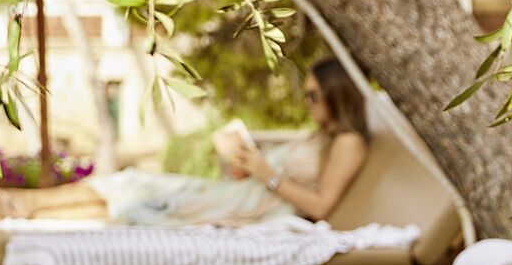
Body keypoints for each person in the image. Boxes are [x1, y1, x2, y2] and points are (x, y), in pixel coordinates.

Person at [96, 55, 373, 228]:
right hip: (237, 195)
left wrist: (268, 174)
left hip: (244, 208)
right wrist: (248, 167)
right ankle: (50, 212)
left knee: (137, 197)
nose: (308, 103)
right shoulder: (321, 137)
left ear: (337, 94)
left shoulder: (349, 142)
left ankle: (52, 213)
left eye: (314, 96)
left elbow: (322, 207)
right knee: (130, 183)